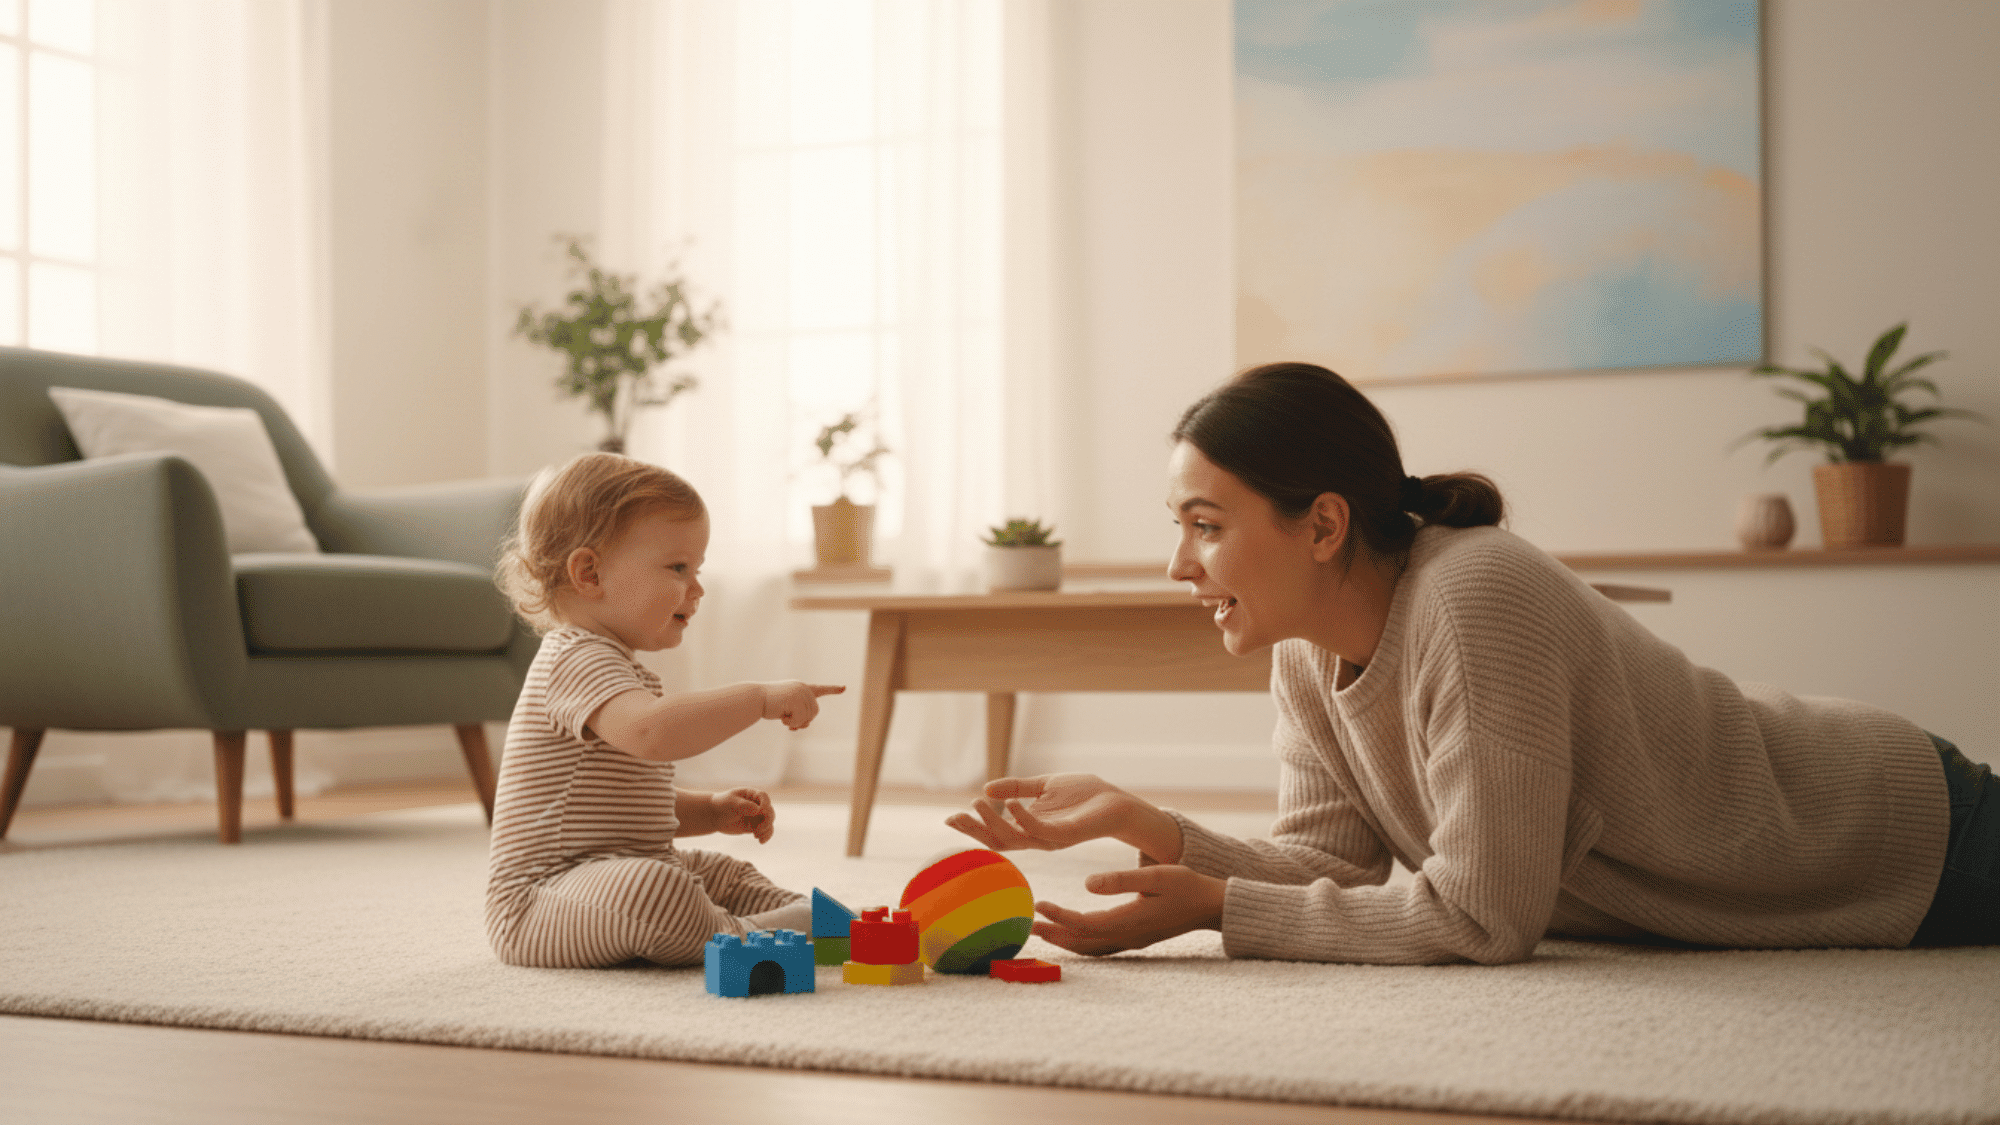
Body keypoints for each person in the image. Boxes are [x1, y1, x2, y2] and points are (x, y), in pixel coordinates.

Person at [949, 362, 1996, 964]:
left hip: (1897, 834)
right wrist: (1152, 827)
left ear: (1321, 525)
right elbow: (1334, 865)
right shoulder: (1308, 655)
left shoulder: (1473, 596)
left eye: (1205, 525)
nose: (1178, 564)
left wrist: (1223, 908)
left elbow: (1482, 916)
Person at [485, 452, 842, 968]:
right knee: (657, 888)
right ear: (589, 573)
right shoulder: (573, 658)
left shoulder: (618, 669)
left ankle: (815, 922)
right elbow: (654, 733)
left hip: (609, 874)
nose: (696, 588)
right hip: (538, 904)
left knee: (721, 873)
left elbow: (626, 806)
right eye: (678, 567)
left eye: (697, 569)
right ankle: (751, 936)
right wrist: (759, 699)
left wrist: (712, 811)